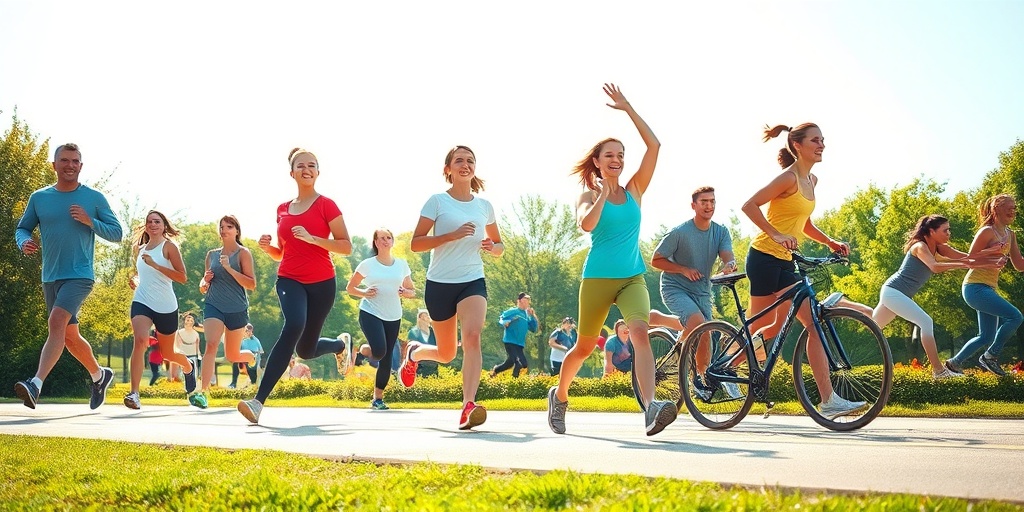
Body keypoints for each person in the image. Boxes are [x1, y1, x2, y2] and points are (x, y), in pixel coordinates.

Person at [547, 83, 677, 437]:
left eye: (620, 154)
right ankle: (559, 396)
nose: (616, 159)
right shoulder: (588, 195)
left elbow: (655, 146)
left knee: (640, 333)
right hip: (598, 280)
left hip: (632, 277)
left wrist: (629, 108)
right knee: (584, 347)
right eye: (609, 155)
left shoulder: (635, 190)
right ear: (597, 161)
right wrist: (603, 193)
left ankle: (650, 408)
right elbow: (586, 224)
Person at [740, 123, 870, 420]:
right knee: (758, 326)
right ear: (797, 145)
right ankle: (720, 371)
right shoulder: (787, 178)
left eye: (822, 139)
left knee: (809, 323)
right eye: (815, 140)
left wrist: (830, 242)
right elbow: (749, 205)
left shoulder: (812, 180)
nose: (821, 144)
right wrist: (775, 234)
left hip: (786, 260)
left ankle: (829, 401)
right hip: (763, 258)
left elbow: (804, 222)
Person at [238, 148, 351, 424]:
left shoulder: (327, 205)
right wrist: (269, 249)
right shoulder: (282, 209)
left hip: (322, 283)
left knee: (306, 350)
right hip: (289, 279)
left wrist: (314, 239)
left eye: (312, 165)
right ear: (292, 173)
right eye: (300, 165)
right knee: (293, 325)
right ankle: (257, 402)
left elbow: (346, 246)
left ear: (318, 172)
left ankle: (339, 345)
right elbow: (283, 252)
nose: (306, 169)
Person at [398, 145, 504, 430]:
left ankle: (468, 405)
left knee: (472, 337)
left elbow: (499, 245)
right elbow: (416, 243)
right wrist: (451, 235)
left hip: (472, 280)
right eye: (459, 160)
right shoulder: (437, 202)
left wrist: (492, 247)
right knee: (447, 354)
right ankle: (415, 354)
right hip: (440, 284)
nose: (465, 164)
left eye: (470, 160)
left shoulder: (484, 206)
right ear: (448, 169)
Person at [13, 143, 120, 410]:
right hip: (50, 276)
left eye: (75, 161)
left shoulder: (93, 198)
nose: (70, 165)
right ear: (54, 165)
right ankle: (99, 375)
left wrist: (90, 221)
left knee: (56, 320)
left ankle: (35, 384)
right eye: (64, 160)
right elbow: (22, 228)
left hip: (80, 274)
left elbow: (117, 233)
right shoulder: (39, 198)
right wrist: (24, 242)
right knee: (69, 336)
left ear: (81, 166)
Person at [872, 214, 1001, 379]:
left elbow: (968, 258)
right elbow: (934, 266)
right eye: (945, 230)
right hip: (893, 292)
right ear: (932, 231)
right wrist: (964, 264)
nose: (949, 233)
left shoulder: (940, 248)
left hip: (898, 294)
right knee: (926, 322)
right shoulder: (919, 246)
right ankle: (939, 371)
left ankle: (844, 311)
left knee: (872, 325)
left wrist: (991, 257)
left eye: (949, 230)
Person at [652, 185, 739, 388]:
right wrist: (683, 269)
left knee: (705, 331)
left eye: (712, 201)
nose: (709, 206)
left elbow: (727, 255)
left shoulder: (720, 232)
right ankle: (692, 374)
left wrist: (729, 264)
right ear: (693, 205)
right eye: (704, 202)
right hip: (675, 287)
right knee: (699, 324)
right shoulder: (680, 232)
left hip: (702, 290)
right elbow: (656, 260)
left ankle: (702, 378)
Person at [124, 210, 199, 408]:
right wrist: (136, 281)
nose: (153, 225)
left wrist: (156, 265)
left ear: (164, 225)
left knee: (168, 354)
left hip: (165, 306)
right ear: (146, 226)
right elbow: (144, 275)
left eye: (157, 221)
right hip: (142, 300)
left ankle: (188, 366)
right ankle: (134, 394)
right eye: (149, 222)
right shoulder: (140, 249)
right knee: (140, 341)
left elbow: (182, 277)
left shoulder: (169, 247)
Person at [945, 194, 1024, 376]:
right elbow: (969, 260)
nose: (1013, 211)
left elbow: (1019, 265)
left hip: (989, 288)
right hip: (974, 287)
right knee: (1015, 317)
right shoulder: (987, 232)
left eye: (1014, 208)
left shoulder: (1010, 235)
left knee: (986, 335)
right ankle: (991, 356)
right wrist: (991, 254)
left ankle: (953, 363)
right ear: (996, 209)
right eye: (1009, 208)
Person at [345, 228, 416, 410]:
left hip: (394, 315)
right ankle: (362, 350)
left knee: (386, 357)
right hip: (370, 312)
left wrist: (405, 292)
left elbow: (412, 291)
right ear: (376, 242)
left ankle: (377, 399)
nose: (385, 240)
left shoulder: (401, 265)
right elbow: (350, 288)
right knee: (380, 351)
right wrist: (364, 292)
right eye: (381, 238)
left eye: (388, 237)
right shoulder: (367, 264)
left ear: (392, 241)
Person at [197, 215, 257, 408]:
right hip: (213, 305)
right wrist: (204, 282)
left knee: (232, 356)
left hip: (236, 309)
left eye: (229, 227)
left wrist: (229, 268)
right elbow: (204, 284)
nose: (224, 230)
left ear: (237, 231)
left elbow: (251, 284)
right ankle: (203, 393)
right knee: (211, 344)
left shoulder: (243, 253)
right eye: (221, 227)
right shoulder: (211, 255)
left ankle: (251, 357)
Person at [491, 292, 538, 378]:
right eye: (525, 299)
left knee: (521, 364)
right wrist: (505, 322)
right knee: (518, 363)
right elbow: (501, 318)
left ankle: (496, 370)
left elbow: (533, 328)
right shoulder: (513, 311)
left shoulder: (526, 315)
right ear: (519, 301)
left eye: (528, 300)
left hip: (519, 344)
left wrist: (532, 316)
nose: (528, 302)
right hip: (510, 341)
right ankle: (514, 381)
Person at [407, 309, 438, 378]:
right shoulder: (413, 332)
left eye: (426, 316)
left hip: (433, 364)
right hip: (418, 365)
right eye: (422, 317)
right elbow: (411, 348)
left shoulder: (434, 332)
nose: (424, 318)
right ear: (419, 319)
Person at [172, 312, 202, 383]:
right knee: (184, 376)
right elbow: (176, 346)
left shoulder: (196, 334)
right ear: (184, 321)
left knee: (194, 376)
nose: (189, 322)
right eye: (188, 320)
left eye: (191, 320)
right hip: (183, 357)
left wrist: (199, 356)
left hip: (193, 357)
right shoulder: (179, 332)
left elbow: (197, 347)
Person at [231, 324, 264, 388]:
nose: (249, 333)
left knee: (253, 379)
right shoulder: (242, 339)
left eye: (250, 331)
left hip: (252, 358)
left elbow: (261, 351)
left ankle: (252, 382)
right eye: (247, 331)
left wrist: (254, 353)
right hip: (244, 357)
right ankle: (233, 383)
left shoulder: (255, 340)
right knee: (235, 362)